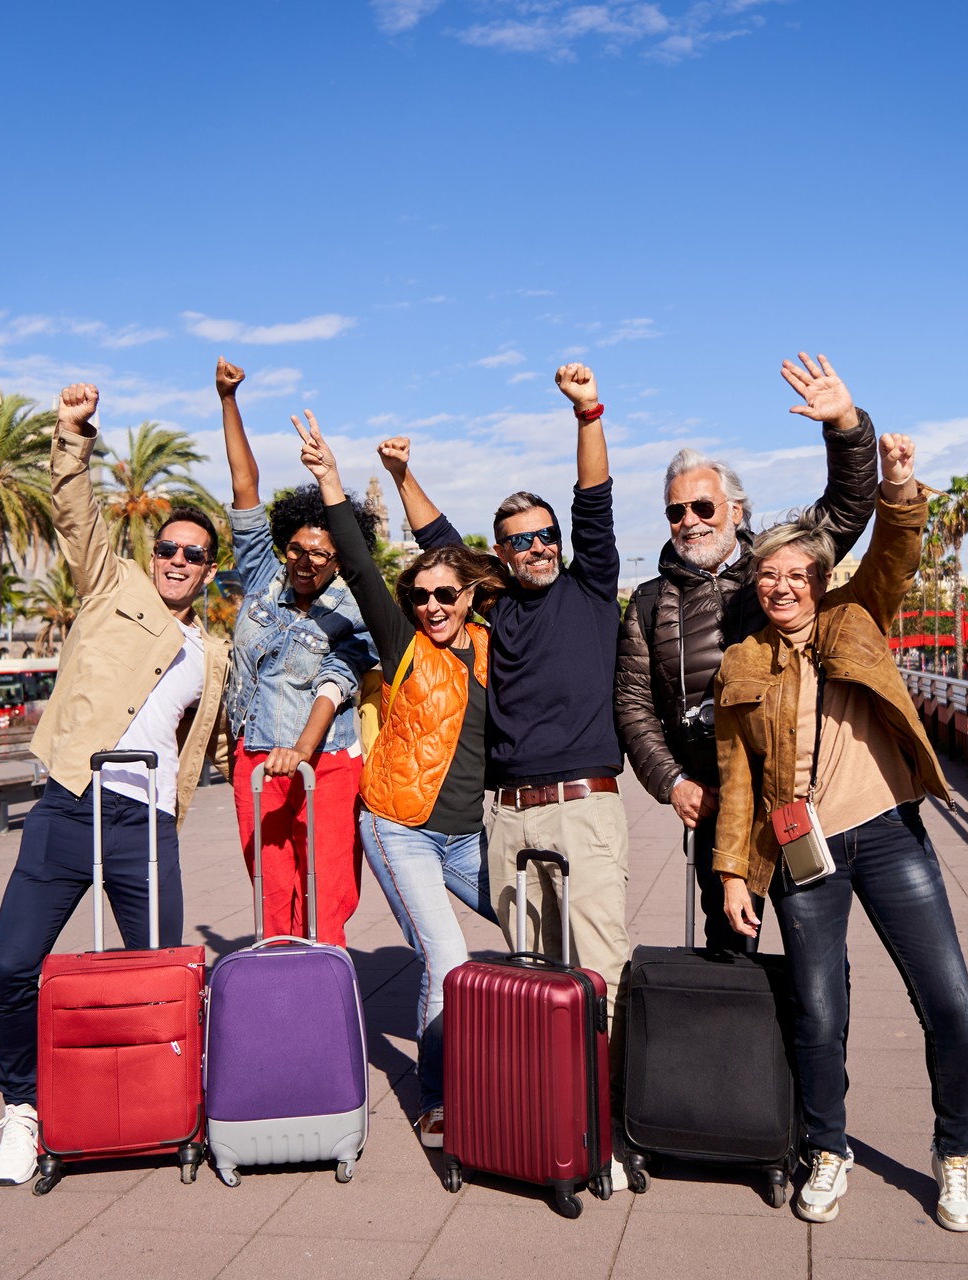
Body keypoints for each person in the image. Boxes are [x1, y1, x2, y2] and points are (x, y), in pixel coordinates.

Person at [713, 419, 968, 1231]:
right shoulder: (741, 663)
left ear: (820, 579)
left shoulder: (853, 618)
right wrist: (732, 870)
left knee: (952, 1003)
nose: (783, 587)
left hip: (890, 832)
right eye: (768, 575)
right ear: (755, 584)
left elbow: (893, 555)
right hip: (800, 853)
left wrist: (897, 485)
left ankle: (956, 1152)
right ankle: (829, 1149)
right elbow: (735, 776)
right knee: (819, 1012)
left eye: (797, 574)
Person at [384, 363, 630, 1172]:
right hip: (508, 815)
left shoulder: (592, 586)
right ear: (504, 552)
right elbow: (437, 545)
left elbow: (595, 498)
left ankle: (613, 1125)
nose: (536, 549)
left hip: (582, 806)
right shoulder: (491, 606)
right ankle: (545, 1122)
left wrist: (586, 410)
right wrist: (401, 474)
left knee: (597, 971)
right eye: (520, 540)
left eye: (544, 535)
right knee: (533, 975)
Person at [0, 381, 231, 1187]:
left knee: (163, 974)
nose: (177, 562)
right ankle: (24, 1109)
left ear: (207, 572)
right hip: (67, 805)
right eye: (168, 549)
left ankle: (168, 1109)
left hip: (145, 826)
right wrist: (70, 434)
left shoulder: (213, 655)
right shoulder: (109, 582)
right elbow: (75, 509)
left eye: (194, 555)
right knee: (14, 965)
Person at [616, 352, 880, 952]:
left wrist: (845, 428)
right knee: (729, 957)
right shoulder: (649, 602)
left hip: (798, 792)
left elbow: (846, 509)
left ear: (736, 510)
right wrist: (673, 782)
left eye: (703, 507)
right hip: (717, 806)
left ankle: (813, 1048)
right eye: (676, 511)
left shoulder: (779, 565)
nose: (690, 521)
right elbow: (633, 705)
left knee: (817, 960)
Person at [293, 411, 501, 1149]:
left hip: (472, 837)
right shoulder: (404, 642)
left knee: (542, 922)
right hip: (400, 826)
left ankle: (536, 1055)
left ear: (470, 597)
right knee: (445, 957)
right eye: (422, 598)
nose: (433, 607)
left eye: (447, 595)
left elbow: (454, 549)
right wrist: (332, 482)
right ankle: (438, 1099)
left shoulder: (492, 646)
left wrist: (407, 476)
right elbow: (355, 563)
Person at [217, 359, 376, 947]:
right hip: (256, 757)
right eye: (298, 548)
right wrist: (228, 400)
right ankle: (277, 992)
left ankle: (324, 998)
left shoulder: (353, 606)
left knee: (326, 889)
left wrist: (302, 751)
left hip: (326, 761)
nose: (307, 561)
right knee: (270, 886)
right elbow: (245, 490)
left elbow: (341, 676)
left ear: (339, 558)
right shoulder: (261, 575)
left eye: (322, 553)